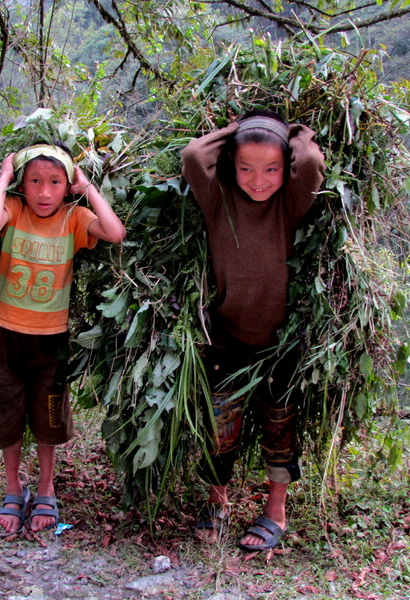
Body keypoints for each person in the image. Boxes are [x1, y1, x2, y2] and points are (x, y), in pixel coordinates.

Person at [180, 110, 325, 551]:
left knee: (279, 427)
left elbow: (313, 165)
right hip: (226, 335)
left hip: (281, 340)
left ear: (285, 169)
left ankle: (275, 509)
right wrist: (240, 128)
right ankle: (218, 502)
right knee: (219, 426)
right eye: (246, 168)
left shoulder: (290, 203)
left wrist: (293, 132)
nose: (258, 180)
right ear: (230, 166)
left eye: (271, 169)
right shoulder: (217, 197)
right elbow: (192, 156)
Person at [0, 142, 126, 535]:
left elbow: (115, 232)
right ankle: (13, 488)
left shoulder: (75, 219)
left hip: (52, 338)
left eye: (55, 182)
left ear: (67, 185)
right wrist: (4, 179)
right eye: (35, 181)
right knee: (6, 411)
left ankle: (45, 487)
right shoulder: (14, 210)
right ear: (22, 186)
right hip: (4, 333)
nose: (45, 192)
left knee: (48, 415)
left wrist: (87, 187)